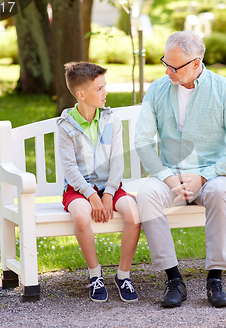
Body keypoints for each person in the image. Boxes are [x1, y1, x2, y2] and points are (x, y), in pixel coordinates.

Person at [134, 31, 226, 308]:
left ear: (196, 64)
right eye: (166, 62)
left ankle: (215, 278)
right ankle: (174, 279)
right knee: (146, 195)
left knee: (221, 190)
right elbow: (142, 141)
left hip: (211, 174)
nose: (167, 70)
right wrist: (166, 176)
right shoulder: (157, 89)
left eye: (175, 67)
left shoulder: (225, 90)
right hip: (170, 176)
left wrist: (203, 177)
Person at [57, 62, 141, 303]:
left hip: (110, 186)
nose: (106, 93)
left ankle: (123, 275)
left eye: (105, 87)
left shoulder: (111, 120)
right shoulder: (65, 126)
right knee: (82, 216)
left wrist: (108, 193)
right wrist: (92, 196)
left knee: (134, 215)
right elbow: (70, 169)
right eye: (100, 89)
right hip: (78, 189)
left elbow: (117, 161)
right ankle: (95, 275)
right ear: (82, 94)